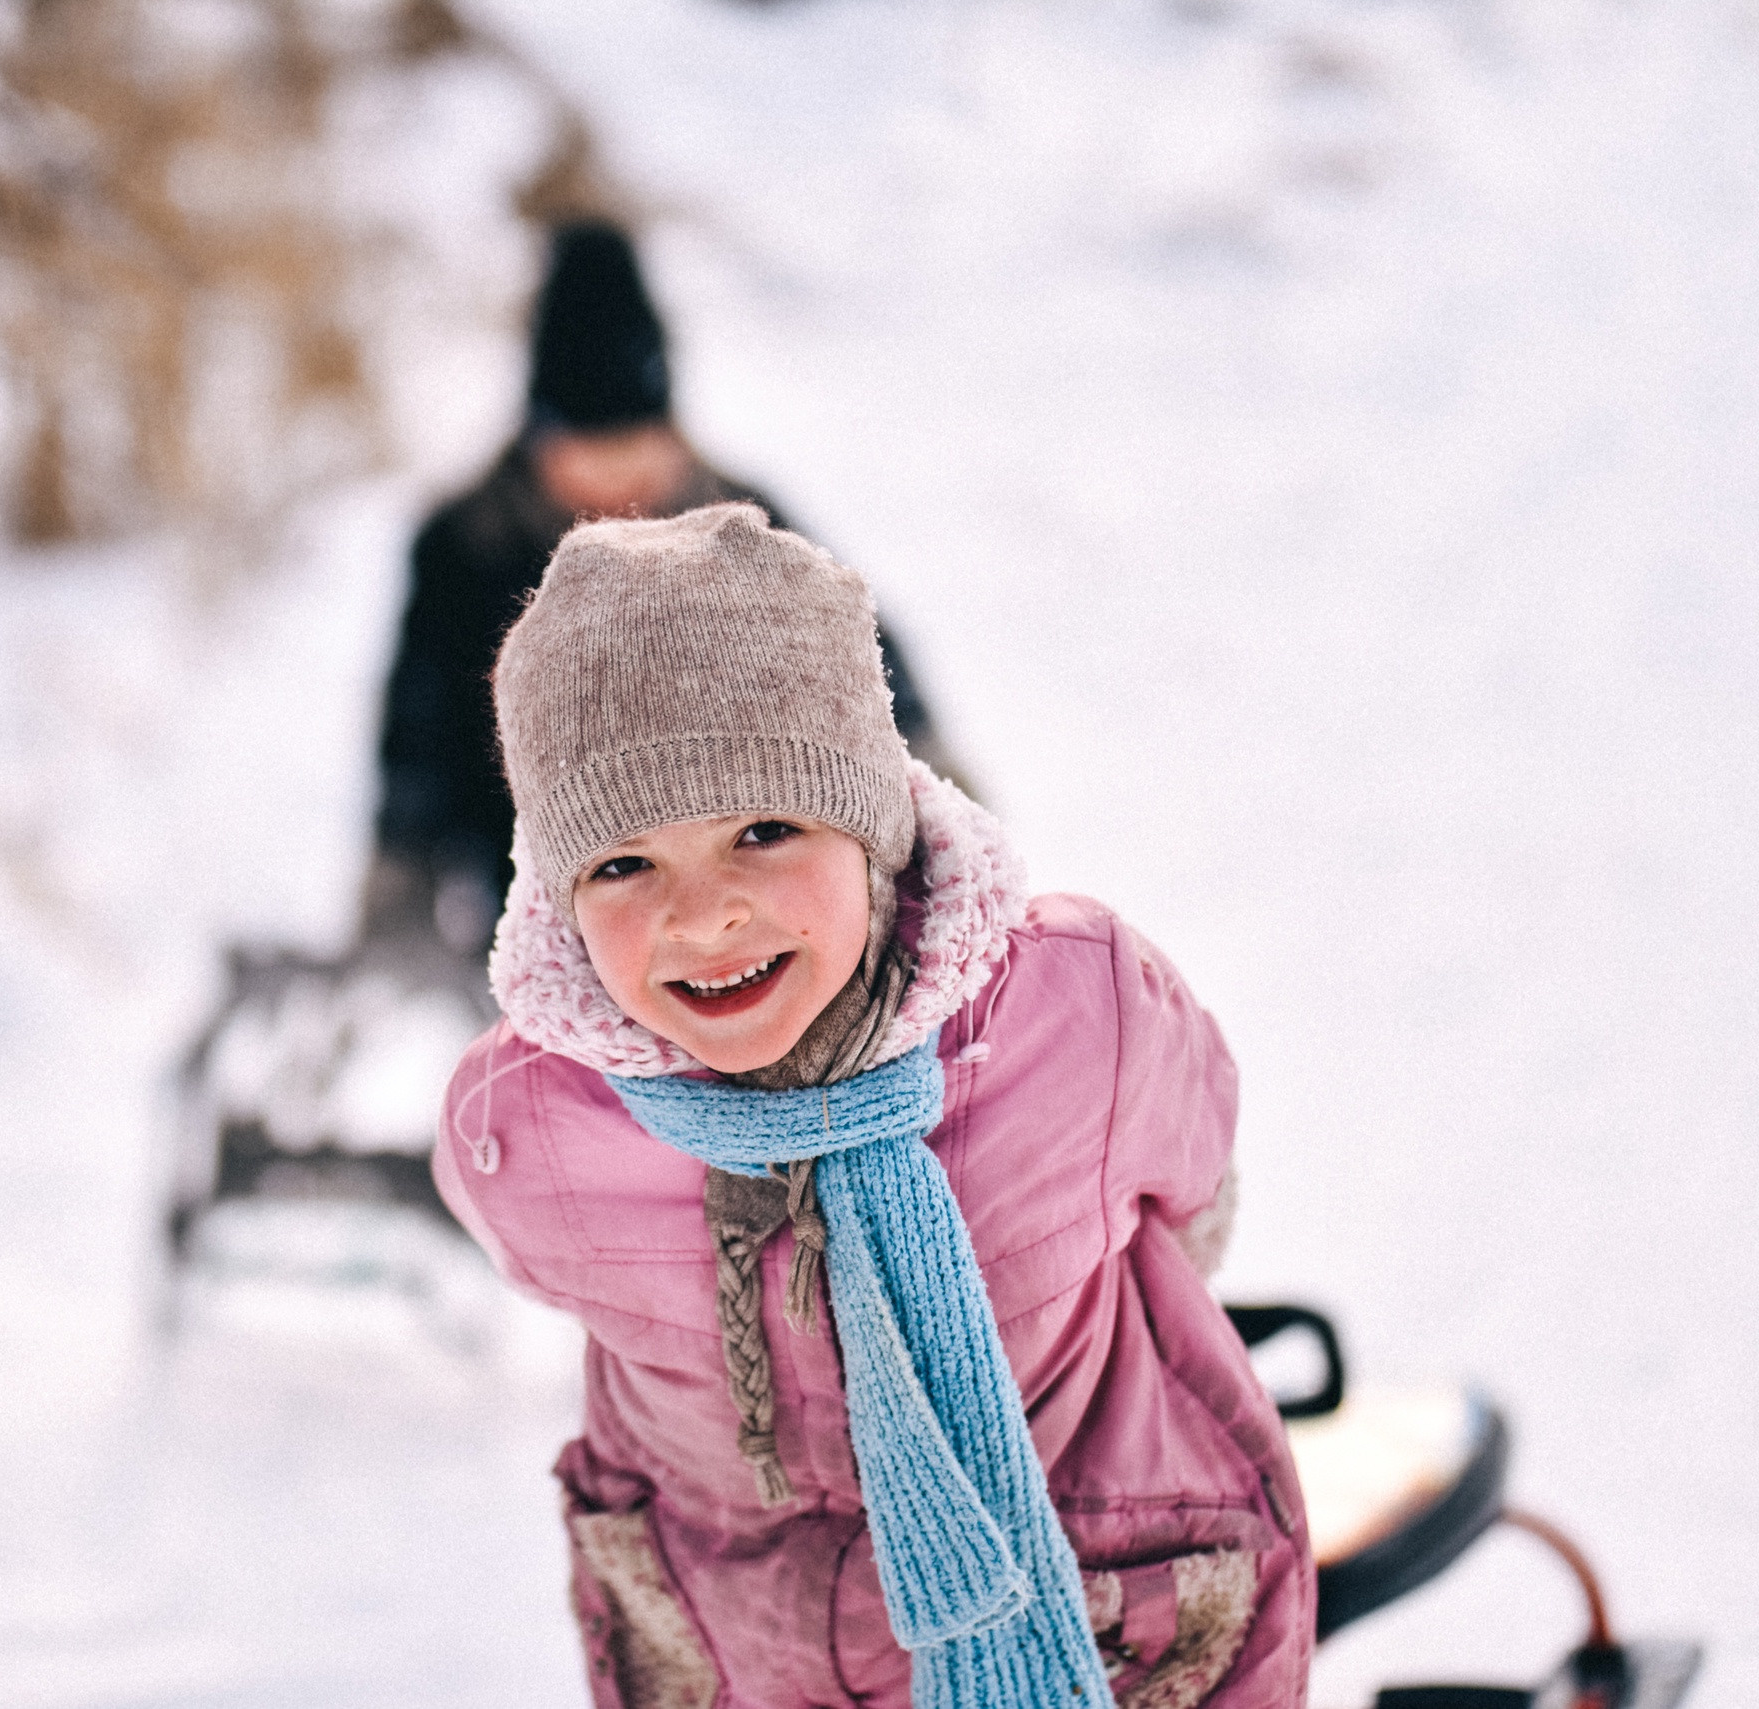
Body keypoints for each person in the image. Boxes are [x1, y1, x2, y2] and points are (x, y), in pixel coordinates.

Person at [432, 504, 1313, 1707]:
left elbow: (1189, 1176)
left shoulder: (1075, 1006)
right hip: (747, 1643)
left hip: (1099, 1590)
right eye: (623, 864)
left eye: (763, 827)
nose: (704, 914)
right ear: (559, 894)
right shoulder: (529, 1118)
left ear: (874, 831)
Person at [371, 220, 964, 957]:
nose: (618, 485)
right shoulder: (468, 548)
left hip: (746, 895)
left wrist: (940, 789)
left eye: (637, 451)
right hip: (541, 897)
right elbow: (418, 735)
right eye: (591, 456)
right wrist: (398, 880)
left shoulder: (742, 526)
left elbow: (861, 667)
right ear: (540, 439)